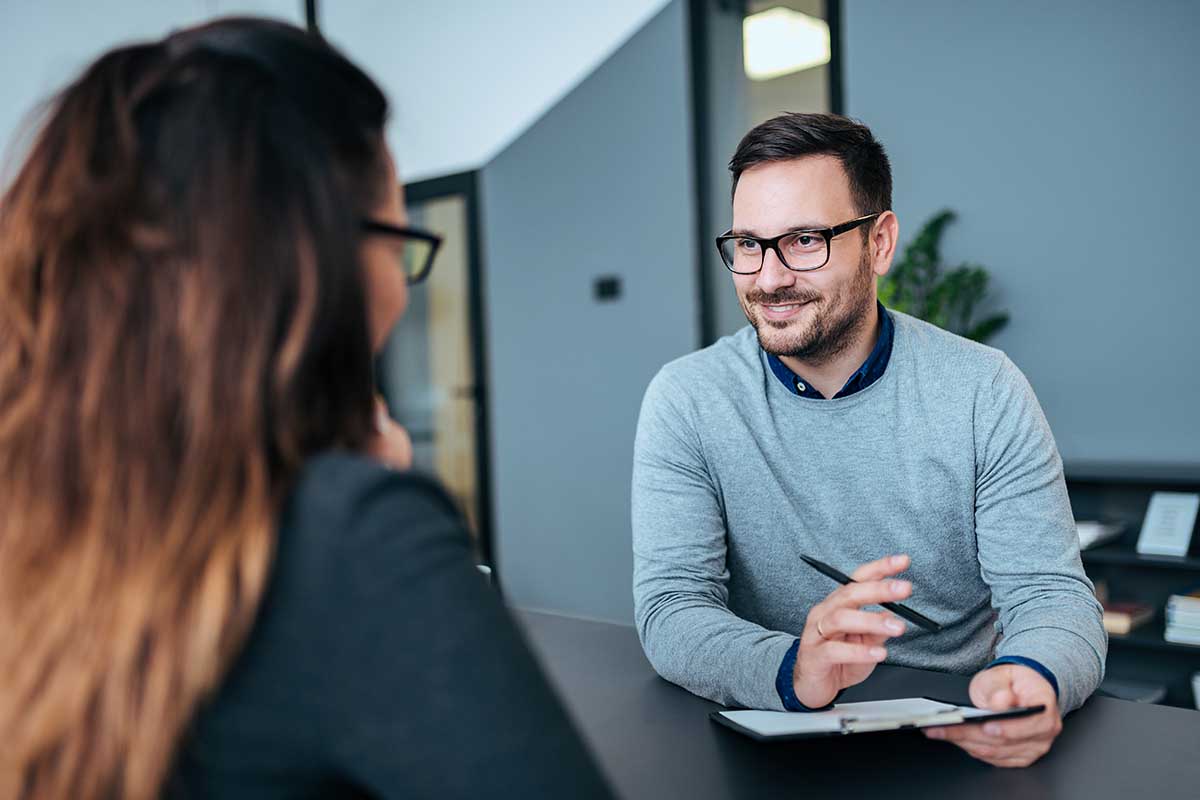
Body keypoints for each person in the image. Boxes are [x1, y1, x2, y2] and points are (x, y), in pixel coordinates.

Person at [0, 19, 611, 799]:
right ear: (316, 261)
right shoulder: (351, 539)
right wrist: (373, 503)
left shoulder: (38, 514)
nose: (399, 286)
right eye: (397, 242)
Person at [632, 112, 1106, 768]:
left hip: (954, 730)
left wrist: (1033, 676)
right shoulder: (687, 398)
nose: (768, 278)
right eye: (747, 244)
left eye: (803, 240)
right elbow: (673, 608)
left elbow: (1050, 594)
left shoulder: (982, 388)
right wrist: (794, 667)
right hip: (770, 733)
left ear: (880, 243)